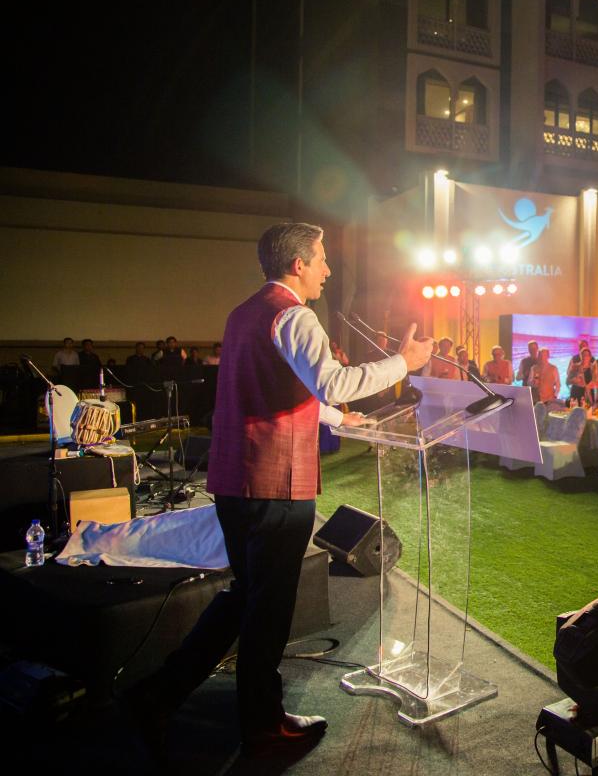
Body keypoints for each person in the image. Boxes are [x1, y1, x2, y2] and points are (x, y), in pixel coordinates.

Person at [124, 222, 433, 759]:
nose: (328, 270)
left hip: (235, 482)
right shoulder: (295, 314)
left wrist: (336, 416)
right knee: (267, 611)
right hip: (274, 485)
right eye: (321, 260)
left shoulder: (245, 313)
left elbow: (284, 389)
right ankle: (262, 727)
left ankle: (159, 692)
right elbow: (330, 380)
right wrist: (404, 363)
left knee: (245, 596)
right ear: (298, 264)